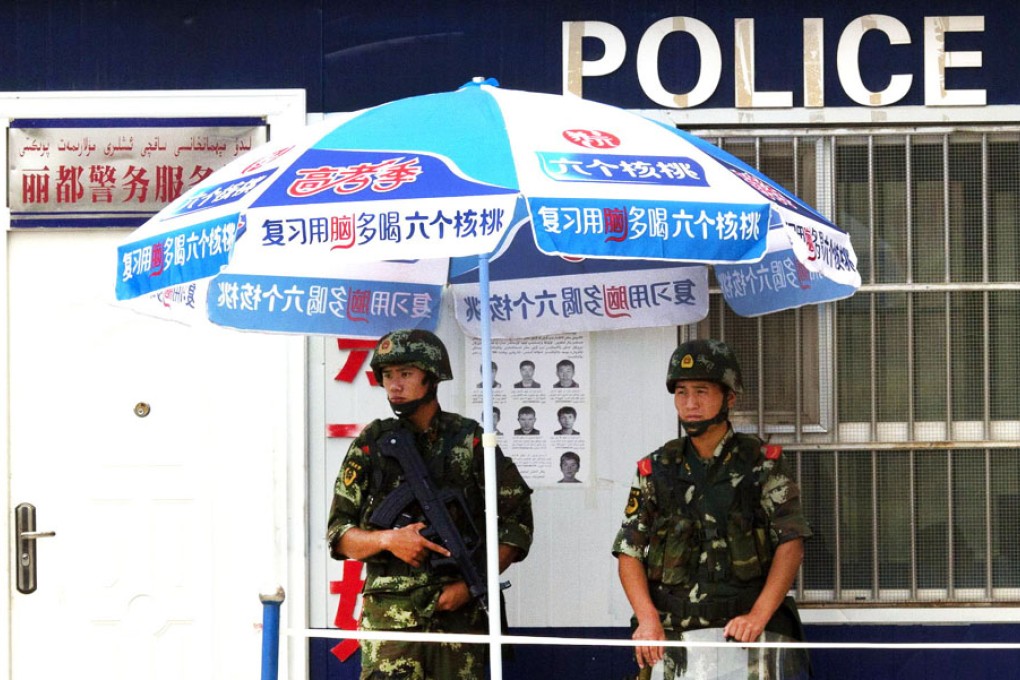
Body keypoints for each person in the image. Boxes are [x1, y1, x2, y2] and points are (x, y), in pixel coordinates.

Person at [327, 329, 534, 679]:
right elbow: (338, 534)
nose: (394, 385)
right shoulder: (372, 443)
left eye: (405, 374)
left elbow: (517, 525)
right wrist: (388, 540)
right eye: (388, 376)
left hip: (457, 621)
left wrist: (470, 587)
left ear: (431, 377)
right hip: (391, 625)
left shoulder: (469, 440)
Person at [612, 339, 811, 679]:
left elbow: (791, 543)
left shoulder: (762, 465)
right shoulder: (656, 468)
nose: (690, 404)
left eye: (702, 392)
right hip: (674, 640)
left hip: (746, 638)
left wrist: (758, 616)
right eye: (682, 392)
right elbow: (629, 551)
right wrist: (647, 619)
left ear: (729, 397)